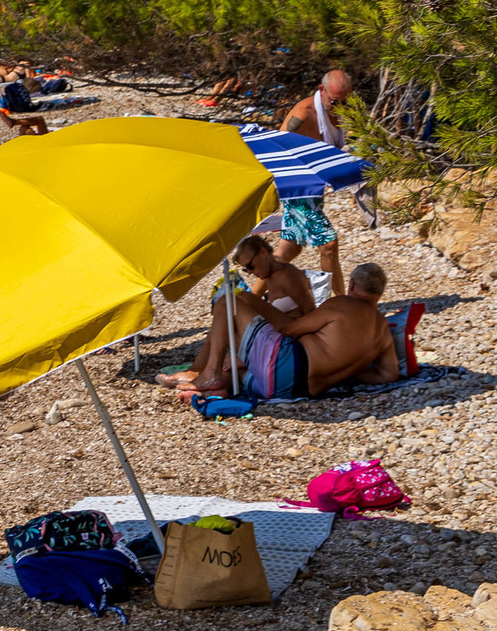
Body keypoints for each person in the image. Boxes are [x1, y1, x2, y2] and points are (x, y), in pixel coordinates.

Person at [194, 260, 396, 400]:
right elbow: (388, 375)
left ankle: (211, 373)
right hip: (286, 389)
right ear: (378, 294)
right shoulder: (383, 331)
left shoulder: (343, 304)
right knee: (239, 355)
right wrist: (351, 372)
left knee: (226, 302)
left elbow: (290, 331)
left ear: (351, 285)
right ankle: (221, 385)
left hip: (286, 363)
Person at [165, 236, 315, 393]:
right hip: (278, 336)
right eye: (246, 269)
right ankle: (207, 379)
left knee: (238, 300)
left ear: (263, 252)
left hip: (290, 340)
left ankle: (207, 374)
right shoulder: (271, 276)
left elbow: (310, 312)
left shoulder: (286, 274)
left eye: (251, 266)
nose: (251, 272)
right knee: (223, 331)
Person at [268, 68, 354, 297]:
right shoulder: (305, 113)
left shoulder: (342, 109)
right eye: (335, 101)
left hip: (315, 187)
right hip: (297, 185)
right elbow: (275, 146)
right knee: (328, 244)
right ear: (321, 90)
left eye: (345, 101)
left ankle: (245, 300)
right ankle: (341, 303)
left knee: (289, 249)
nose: (340, 107)